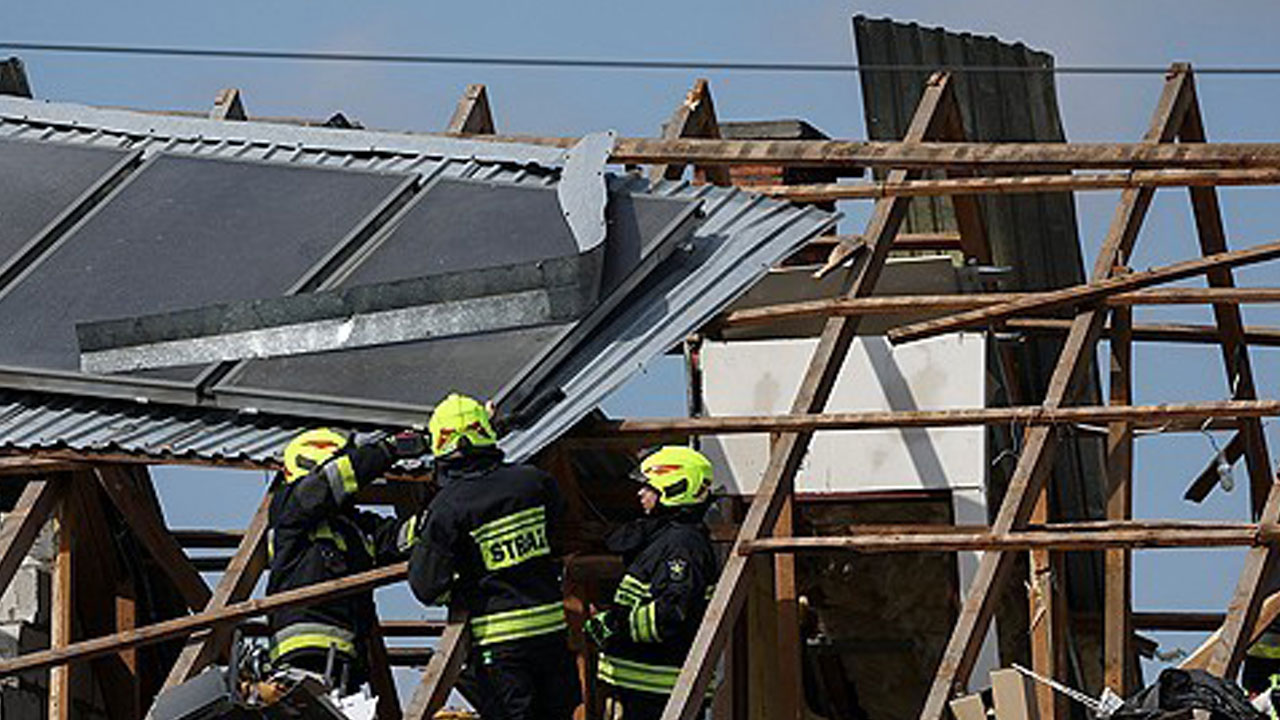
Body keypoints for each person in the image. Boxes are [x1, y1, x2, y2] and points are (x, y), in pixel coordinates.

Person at [408, 393, 580, 720]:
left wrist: (461, 587)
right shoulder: (534, 482)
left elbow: (426, 587)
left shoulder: (447, 507)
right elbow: (558, 531)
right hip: (551, 634)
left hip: (500, 644)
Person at [266, 426, 426, 693]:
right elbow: (328, 483)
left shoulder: (355, 528)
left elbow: (400, 538)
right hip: (302, 655)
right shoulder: (289, 509)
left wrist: (446, 514)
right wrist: (389, 450)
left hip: (346, 659)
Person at [584, 445, 720, 720]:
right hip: (639, 686)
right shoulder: (667, 537)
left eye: (649, 487)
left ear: (673, 489)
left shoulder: (683, 545)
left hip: (657, 691)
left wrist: (615, 625)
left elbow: (672, 613)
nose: (640, 493)